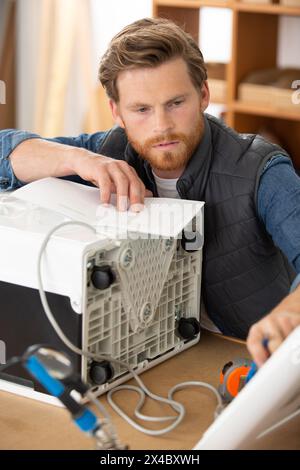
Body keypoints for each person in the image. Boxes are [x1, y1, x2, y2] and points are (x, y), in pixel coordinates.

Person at [0, 18, 300, 359]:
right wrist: (75, 158)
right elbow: (3, 153)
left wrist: (290, 315)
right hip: (144, 353)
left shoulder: (259, 168)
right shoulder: (108, 153)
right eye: (141, 109)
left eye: (176, 103)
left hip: (248, 357)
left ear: (203, 94)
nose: (162, 126)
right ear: (116, 111)